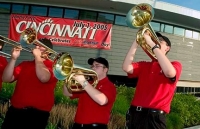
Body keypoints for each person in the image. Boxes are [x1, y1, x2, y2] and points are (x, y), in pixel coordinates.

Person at [122, 32, 182, 129]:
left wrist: (150, 42)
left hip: (154, 117)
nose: (156, 42)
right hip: (136, 114)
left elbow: (170, 73)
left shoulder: (175, 64)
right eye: (155, 40)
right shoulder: (145, 65)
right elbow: (126, 67)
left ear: (167, 48)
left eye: (160, 41)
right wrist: (136, 41)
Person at [1, 38, 58, 129]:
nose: (36, 47)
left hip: (37, 115)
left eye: (40, 46)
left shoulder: (55, 67)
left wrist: (38, 58)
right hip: (15, 111)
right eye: (36, 45)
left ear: (48, 51)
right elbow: (6, 78)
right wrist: (13, 58)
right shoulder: (25, 64)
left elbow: (43, 78)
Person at [63, 57, 116, 129]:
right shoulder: (88, 83)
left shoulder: (109, 86)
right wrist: (67, 77)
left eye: (97, 66)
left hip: (95, 126)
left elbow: (102, 101)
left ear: (105, 70)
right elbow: (67, 93)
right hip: (78, 125)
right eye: (92, 66)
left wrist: (83, 81)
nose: (93, 68)